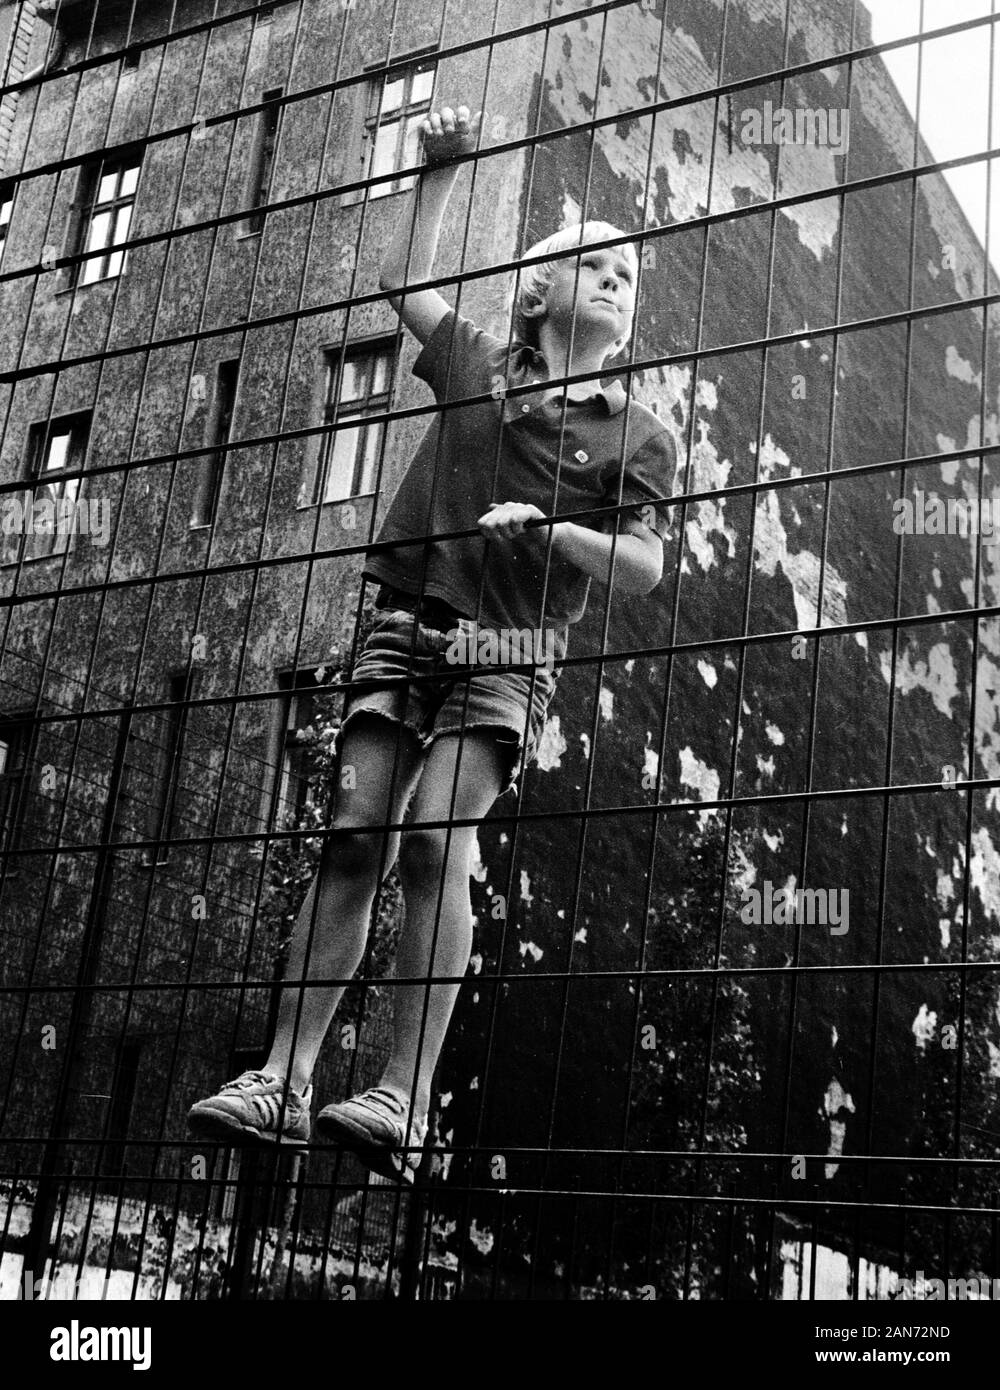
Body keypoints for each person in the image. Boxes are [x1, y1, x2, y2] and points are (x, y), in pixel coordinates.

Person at [188, 103, 676, 1182]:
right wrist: (439, 171)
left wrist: (555, 531)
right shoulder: (473, 363)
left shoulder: (637, 433)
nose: (613, 278)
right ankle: (282, 1079)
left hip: (507, 655)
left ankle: (403, 1099)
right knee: (355, 834)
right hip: (404, 630)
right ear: (538, 289)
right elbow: (402, 285)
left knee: (434, 846)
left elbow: (642, 568)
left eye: (626, 275)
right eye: (591, 263)